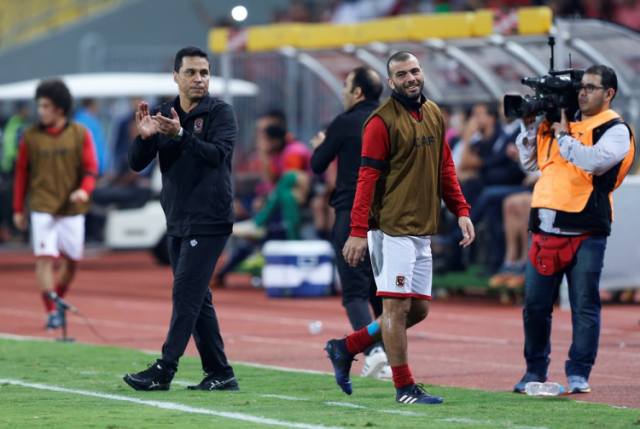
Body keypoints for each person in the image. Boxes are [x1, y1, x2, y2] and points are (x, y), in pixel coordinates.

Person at [325, 51, 474, 404]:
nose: (411, 78)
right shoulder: (380, 122)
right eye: (403, 74)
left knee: (418, 310)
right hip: (390, 229)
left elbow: (445, 167)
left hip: (422, 228)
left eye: (415, 71)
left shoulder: (433, 112)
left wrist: (461, 209)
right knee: (395, 311)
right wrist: (358, 230)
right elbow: (366, 179)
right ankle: (404, 387)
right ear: (391, 82)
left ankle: (346, 347)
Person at [513, 65, 635, 394]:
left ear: (609, 93)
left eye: (591, 87)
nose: (583, 92)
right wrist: (530, 126)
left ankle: (579, 372)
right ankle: (534, 370)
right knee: (535, 307)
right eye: (581, 86)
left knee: (584, 305)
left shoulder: (615, 128)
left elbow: (594, 161)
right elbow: (530, 162)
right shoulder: (556, 122)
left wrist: (563, 135)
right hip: (544, 224)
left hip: (586, 227)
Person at [123, 46, 239, 392]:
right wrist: (145, 139)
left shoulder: (221, 113)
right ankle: (220, 371)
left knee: (186, 294)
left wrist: (180, 135)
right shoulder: (161, 113)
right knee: (198, 298)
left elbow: (217, 154)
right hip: (175, 218)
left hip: (211, 218)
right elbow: (136, 163)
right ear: (176, 76)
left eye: (204, 72)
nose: (199, 79)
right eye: (191, 72)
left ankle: (165, 368)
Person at [310, 66, 390, 379]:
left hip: (351, 214)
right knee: (381, 290)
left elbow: (318, 165)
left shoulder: (344, 122)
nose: (342, 91)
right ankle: (391, 356)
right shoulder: (391, 119)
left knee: (355, 291)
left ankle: (375, 352)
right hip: (388, 218)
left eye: (346, 86)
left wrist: (322, 144)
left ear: (357, 92)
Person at [12, 80, 98, 330]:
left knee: (73, 261)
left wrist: (84, 190)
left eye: (45, 106)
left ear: (59, 108)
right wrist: (18, 208)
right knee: (45, 258)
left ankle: (57, 299)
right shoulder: (30, 137)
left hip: (72, 209)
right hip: (43, 206)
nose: (40, 111)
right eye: (39, 106)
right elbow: (21, 174)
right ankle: (51, 311)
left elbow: (91, 168)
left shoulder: (80, 134)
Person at [0, 102, 31, 242]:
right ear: (21, 110)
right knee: (17, 200)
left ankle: (14, 231)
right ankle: (17, 233)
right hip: (15, 169)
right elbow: (19, 149)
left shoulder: (10, 125)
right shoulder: (20, 126)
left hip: (7, 168)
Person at [73, 98, 108, 176]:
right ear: (93, 105)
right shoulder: (93, 121)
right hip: (92, 167)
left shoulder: (75, 120)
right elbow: (98, 147)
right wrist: (102, 168)